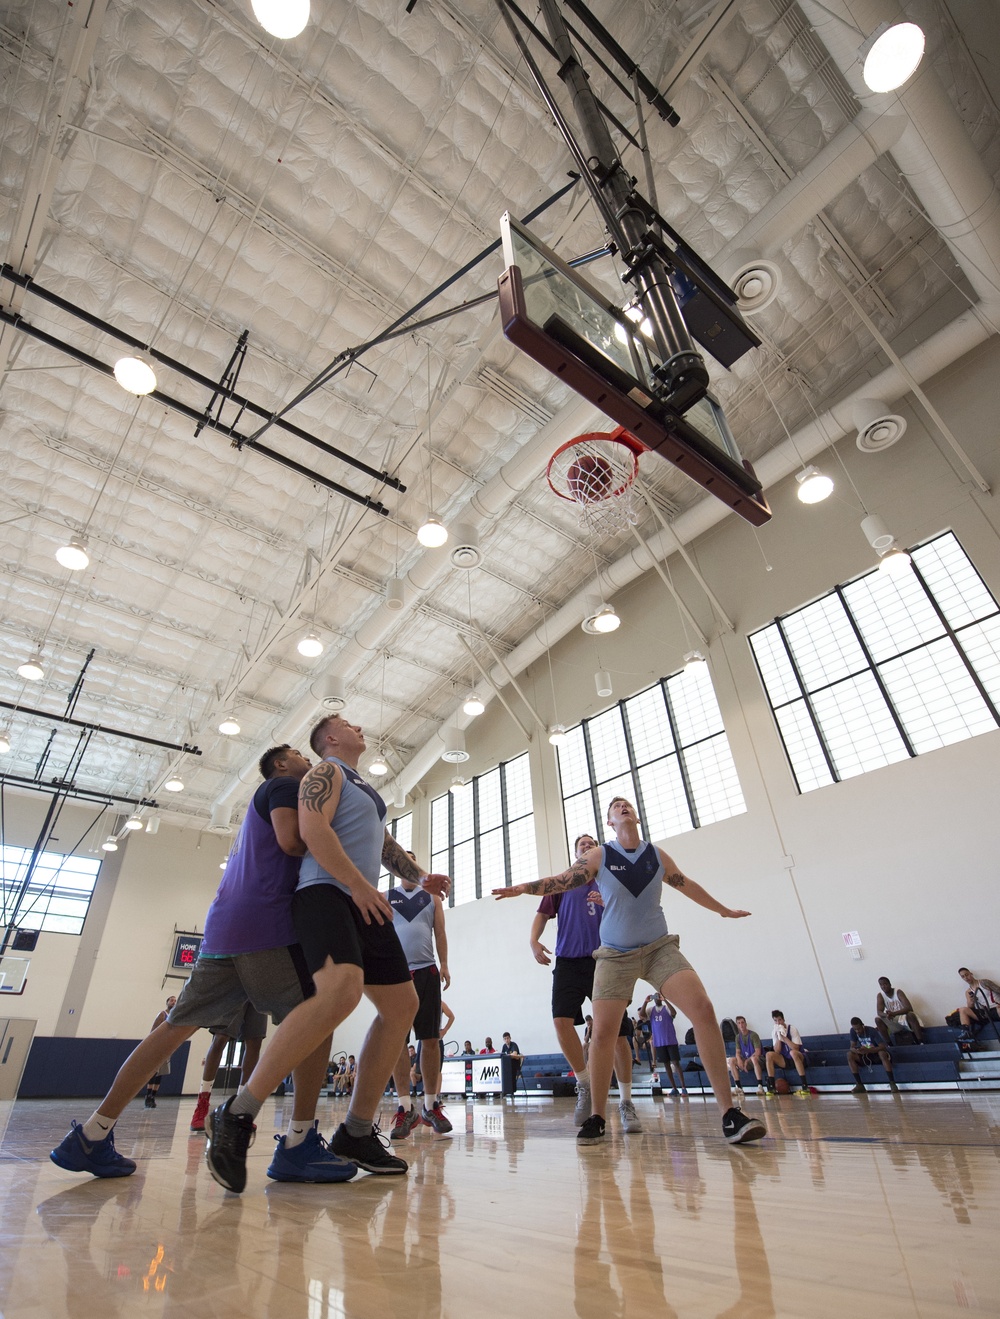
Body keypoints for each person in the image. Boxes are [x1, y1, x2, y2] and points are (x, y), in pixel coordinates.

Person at [50, 745, 351, 1184]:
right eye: (298, 753)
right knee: (317, 1019)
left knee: (173, 1028)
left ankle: (92, 1134)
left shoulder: (257, 807)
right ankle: (298, 1144)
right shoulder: (285, 785)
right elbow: (291, 841)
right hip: (265, 925)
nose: (308, 758)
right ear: (281, 763)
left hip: (223, 928)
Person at [204, 713, 449, 1194]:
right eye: (348, 723)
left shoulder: (366, 791)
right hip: (326, 893)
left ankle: (356, 1133)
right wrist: (358, 886)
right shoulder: (324, 772)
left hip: (364, 897)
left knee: (404, 1007)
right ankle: (237, 1113)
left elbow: (384, 846)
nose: (361, 726)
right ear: (330, 739)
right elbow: (313, 832)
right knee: (341, 992)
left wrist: (420, 878)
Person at [494, 795, 765, 1146]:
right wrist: (524, 888)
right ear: (610, 822)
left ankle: (730, 1115)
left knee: (703, 1009)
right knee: (604, 1034)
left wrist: (722, 910)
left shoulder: (656, 855)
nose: (623, 806)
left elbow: (686, 883)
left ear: (635, 816)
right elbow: (561, 881)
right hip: (614, 956)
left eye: (627, 804)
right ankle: (597, 1116)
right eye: (616, 807)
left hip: (658, 949)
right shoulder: (600, 855)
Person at [529, 833, 642, 1131]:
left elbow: (632, 913)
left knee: (617, 1035)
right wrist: (534, 941)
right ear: (575, 852)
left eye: (592, 844)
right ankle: (584, 1083)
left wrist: (608, 900)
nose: (588, 846)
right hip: (568, 960)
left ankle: (627, 1101)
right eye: (583, 844)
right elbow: (542, 914)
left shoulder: (609, 879)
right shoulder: (564, 880)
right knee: (561, 1021)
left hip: (605, 960)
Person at [386, 848, 452, 1140]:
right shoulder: (386, 897)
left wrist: (445, 963)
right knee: (397, 1041)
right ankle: (404, 1107)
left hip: (427, 972)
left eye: (411, 861)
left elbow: (440, 933)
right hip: (397, 974)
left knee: (430, 1039)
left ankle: (430, 1105)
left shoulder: (432, 898)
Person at [189, 1000, 268, 1131]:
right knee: (220, 1039)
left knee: (255, 1042)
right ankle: (202, 1104)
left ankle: (241, 1109)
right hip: (235, 989)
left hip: (257, 992)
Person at [643, 993, 687, 1097]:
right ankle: (674, 1088)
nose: (657, 999)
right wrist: (645, 1002)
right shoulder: (651, 1010)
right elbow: (642, 1015)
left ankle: (683, 1088)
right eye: (656, 997)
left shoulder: (666, 1008)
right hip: (659, 1042)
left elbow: (673, 1012)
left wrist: (665, 1000)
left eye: (658, 997)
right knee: (666, 1065)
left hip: (670, 1041)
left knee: (676, 1063)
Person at [142, 995, 177, 1108]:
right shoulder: (162, 1014)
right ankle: (148, 1096)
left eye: (175, 1001)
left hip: (167, 1047)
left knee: (161, 1073)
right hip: (157, 1046)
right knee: (153, 1072)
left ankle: (153, 1096)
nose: (173, 1002)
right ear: (167, 1002)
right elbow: (153, 1030)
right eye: (172, 1000)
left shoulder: (175, 1016)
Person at [764, 1010, 809, 1097]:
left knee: (793, 1052)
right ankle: (771, 1086)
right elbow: (777, 1051)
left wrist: (784, 1038)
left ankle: (804, 1085)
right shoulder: (774, 1032)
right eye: (775, 1021)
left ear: (783, 1020)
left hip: (799, 1057)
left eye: (780, 1020)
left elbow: (796, 1048)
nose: (778, 1023)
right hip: (785, 1059)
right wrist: (778, 1038)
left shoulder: (792, 1029)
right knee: (769, 1055)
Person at [847, 1017, 897, 1093]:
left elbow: (882, 1046)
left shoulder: (871, 1031)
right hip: (865, 1054)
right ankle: (859, 1084)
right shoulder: (853, 1031)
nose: (857, 1031)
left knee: (882, 1053)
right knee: (849, 1054)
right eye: (855, 1029)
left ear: (863, 1025)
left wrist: (869, 1050)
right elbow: (852, 1047)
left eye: (859, 1029)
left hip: (875, 1053)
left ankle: (892, 1083)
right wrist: (857, 1050)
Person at [875, 977, 924, 1044]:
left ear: (890, 984)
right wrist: (887, 1015)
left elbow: (909, 1008)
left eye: (885, 984)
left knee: (911, 1015)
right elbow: (879, 1012)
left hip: (903, 1017)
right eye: (881, 985)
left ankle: (920, 1041)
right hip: (892, 1019)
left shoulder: (898, 992)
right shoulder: (880, 995)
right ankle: (889, 1044)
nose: (883, 986)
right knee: (877, 1019)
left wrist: (894, 1013)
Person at [956, 967, 1000, 1039]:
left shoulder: (984, 982)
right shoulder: (968, 992)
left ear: (971, 974)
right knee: (962, 1009)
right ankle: (966, 1032)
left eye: (967, 975)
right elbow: (970, 1007)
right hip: (983, 1013)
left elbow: (999, 990)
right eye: (963, 977)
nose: (966, 978)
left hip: (995, 1008)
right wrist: (971, 1001)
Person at [727, 1016, 764, 1094]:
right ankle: (739, 1087)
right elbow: (737, 1052)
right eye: (739, 1023)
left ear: (746, 1024)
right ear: (737, 1025)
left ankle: (760, 1086)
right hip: (746, 1059)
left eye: (742, 1022)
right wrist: (740, 1060)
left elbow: (758, 1052)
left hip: (758, 1059)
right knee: (731, 1060)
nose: (741, 1025)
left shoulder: (753, 1035)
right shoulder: (737, 1037)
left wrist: (747, 1061)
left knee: (754, 1058)